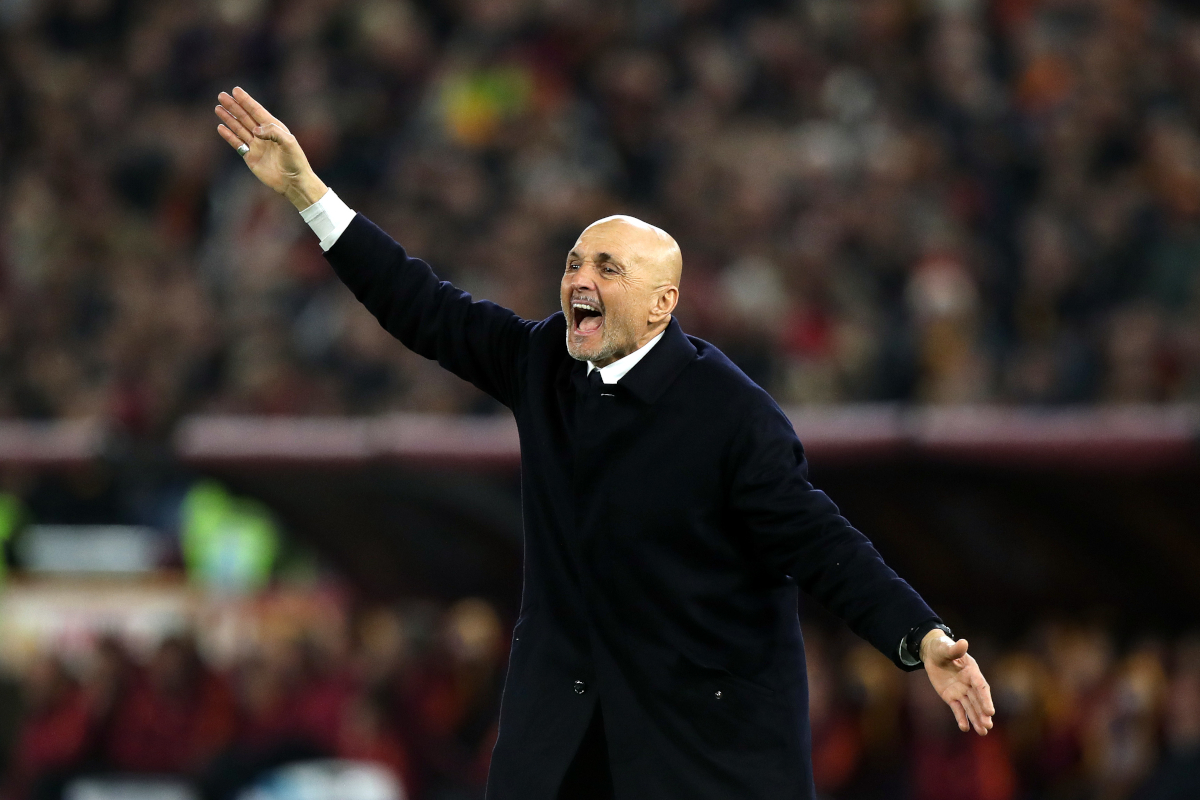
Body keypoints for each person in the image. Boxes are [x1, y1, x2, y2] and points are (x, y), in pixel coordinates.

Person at [214, 86, 995, 800]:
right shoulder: (543, 361)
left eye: (606, 268)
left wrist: (918, 635)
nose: (579, 279)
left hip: (697, 748)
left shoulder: (731, 415)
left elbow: (821, 543)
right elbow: (423, 308)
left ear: (661, 305)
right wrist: (307, 194)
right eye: (574, 262)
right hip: (561, 737)